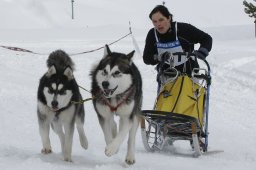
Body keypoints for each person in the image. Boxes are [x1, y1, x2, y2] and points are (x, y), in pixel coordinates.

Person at [143, 5, 212, 79]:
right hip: (166, 75)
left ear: (169, 18)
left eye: (161, 20)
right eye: (154, 21)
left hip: (189, 75)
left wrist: (202, 51)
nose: (158, 24)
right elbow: (147, 58)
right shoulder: (152, 34)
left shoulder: (183, 29)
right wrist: (159, 57)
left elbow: (206, 38)